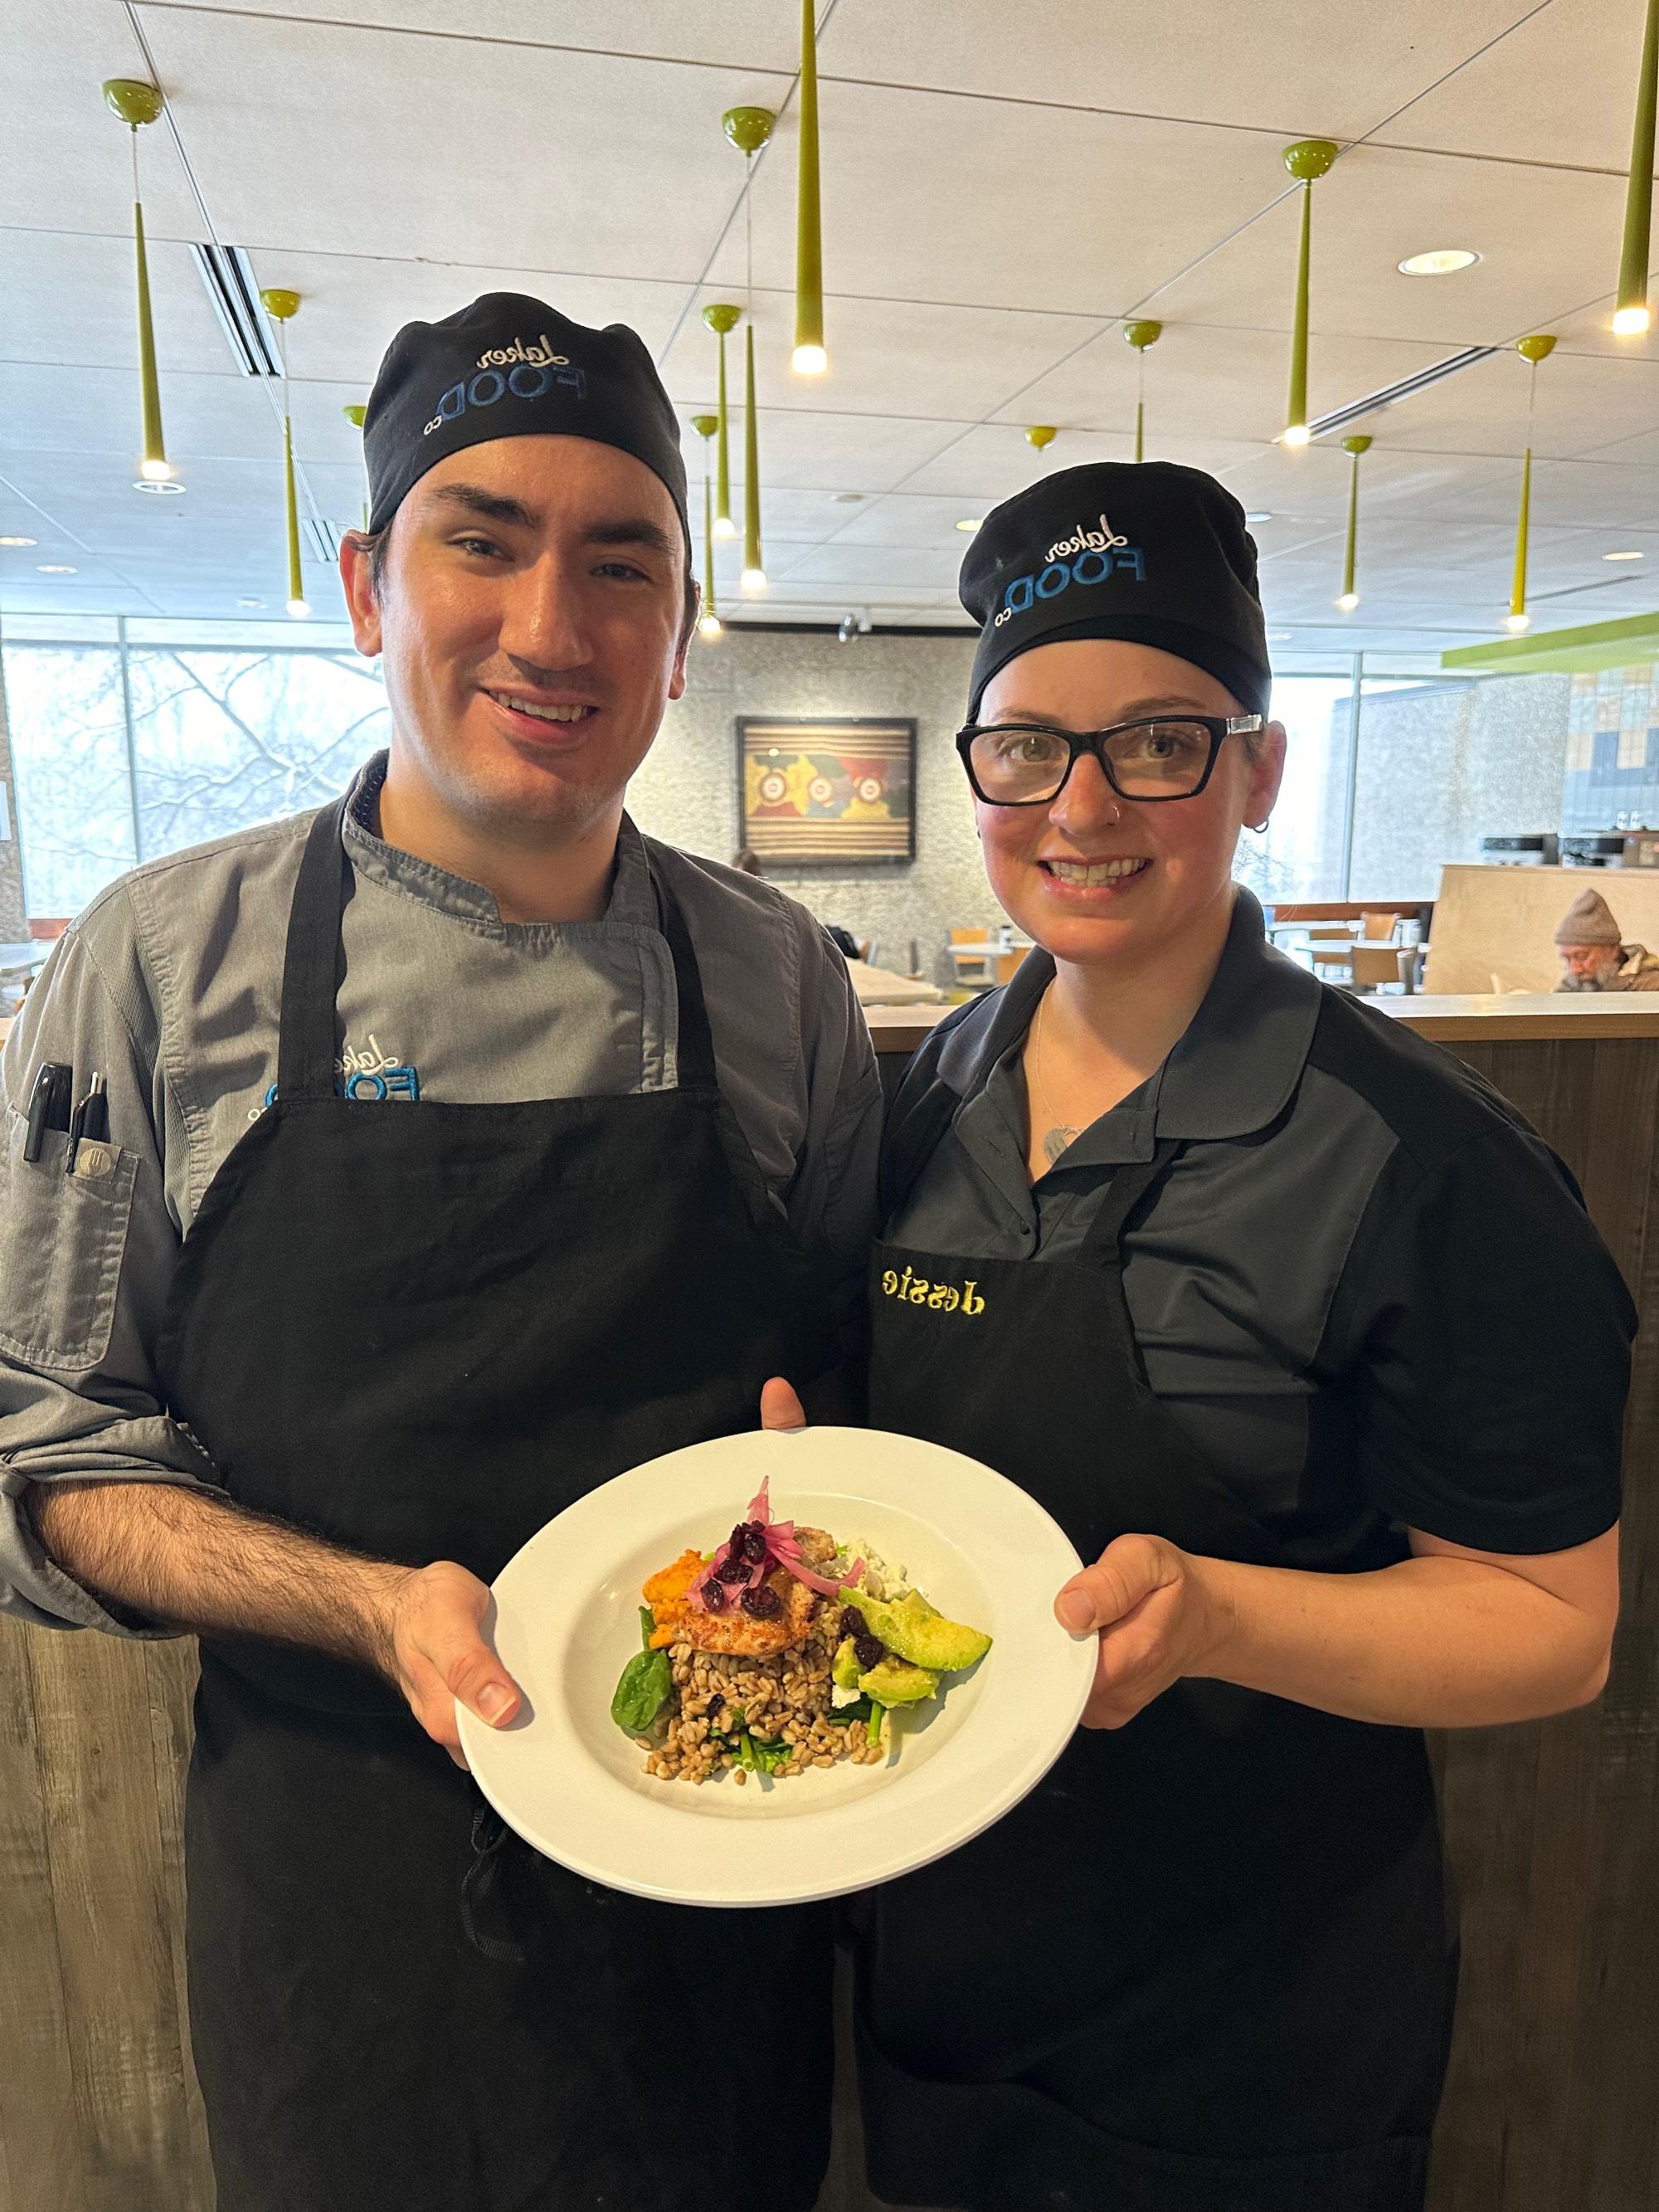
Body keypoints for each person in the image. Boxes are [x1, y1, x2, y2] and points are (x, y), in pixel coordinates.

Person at [0, 294, 882, 2212]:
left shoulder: (778, 979)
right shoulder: (160, 965)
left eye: (619, 560)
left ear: (674, 627)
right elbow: (56, 1452)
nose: (550, 627)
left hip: (714, 1860)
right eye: (478, 537)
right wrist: (377, 1603)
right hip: (341, 1890)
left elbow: (833, 1394)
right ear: (363, 583)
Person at [777, 461, 1629, 2212]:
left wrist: (1222, 1617)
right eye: (1026, 745)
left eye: (1156, 738)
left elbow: (1552, 1630)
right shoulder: (935, 1085)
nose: (1082, 803)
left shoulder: (1426, 1160)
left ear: (1255, 766)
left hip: (1249, 2027)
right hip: (945, 1968)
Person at [1553, 884, 1659, 991]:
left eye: (1582, 956)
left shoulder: (1650, 986)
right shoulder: (1570, 986)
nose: (1575, 969)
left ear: (1613, 949)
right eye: (1567, 959)